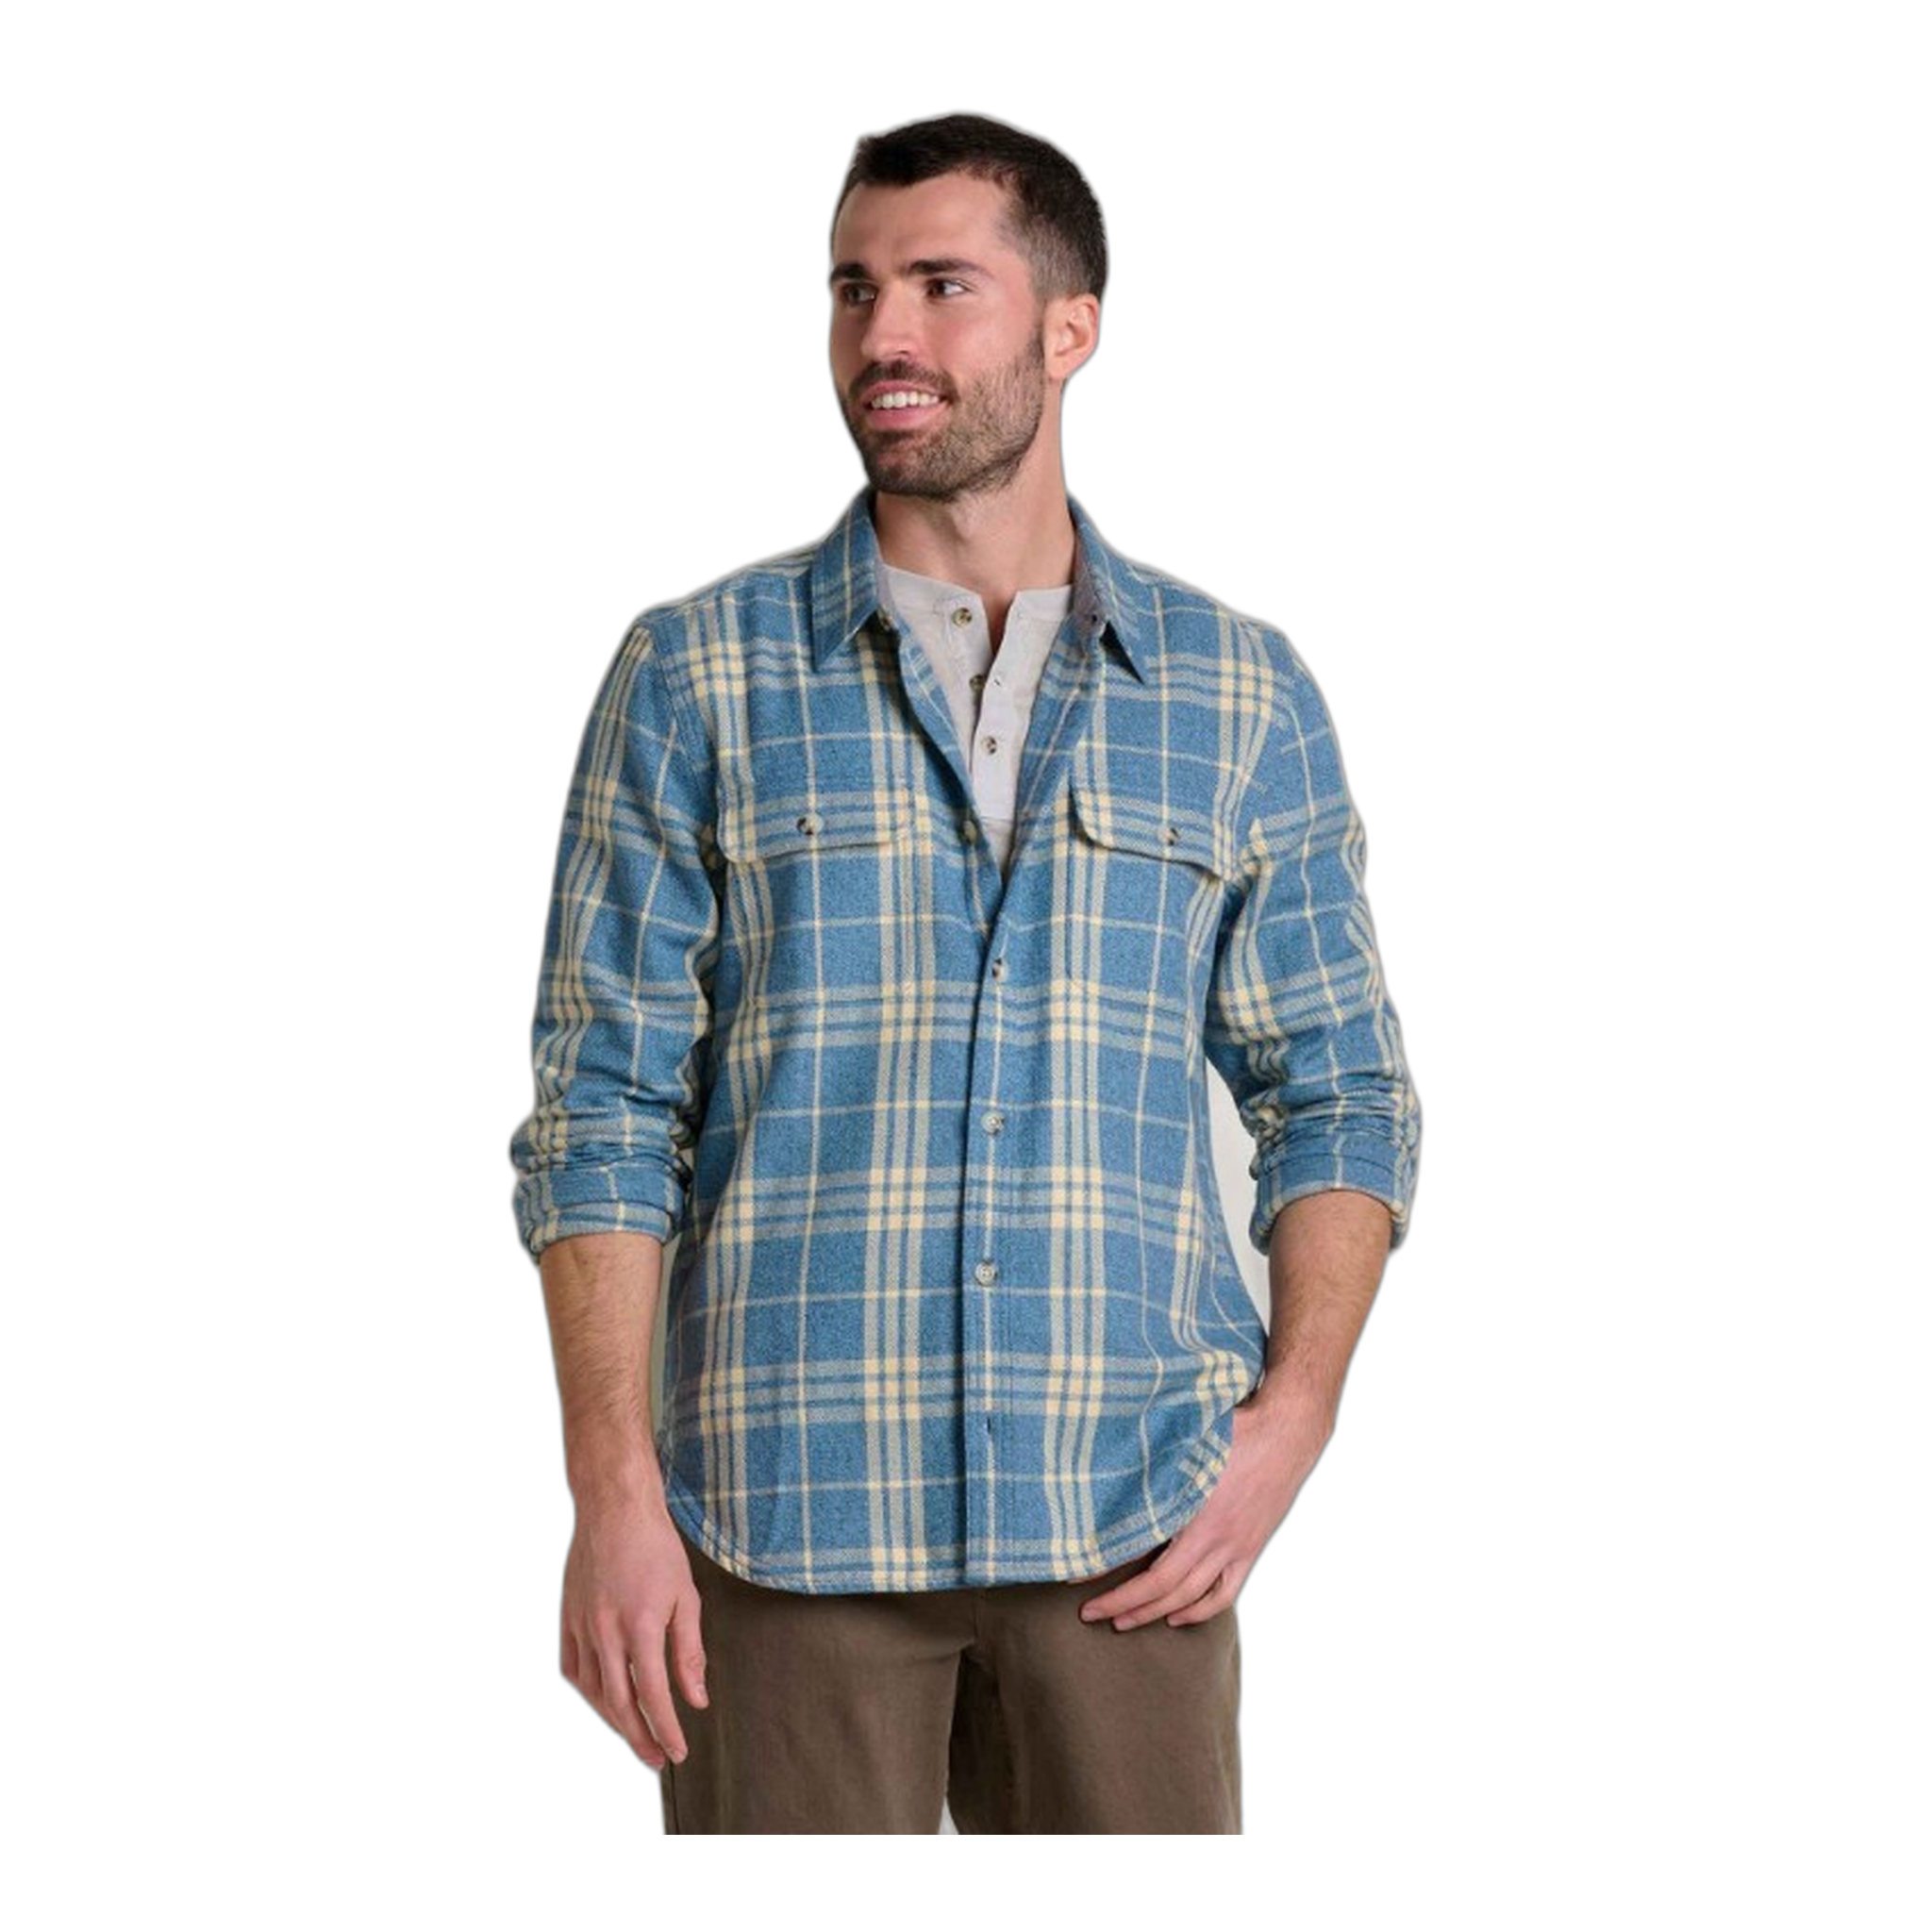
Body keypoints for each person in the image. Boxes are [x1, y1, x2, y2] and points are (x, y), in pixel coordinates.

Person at [507, 109, 1422, 1836]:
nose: (885, 338)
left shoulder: (1239, 691)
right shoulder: (691, 675)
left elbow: (1342, 1095)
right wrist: (608, 1491)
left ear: (1072, 327)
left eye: (942, 286)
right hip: (780, 1523)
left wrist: (1293, 1422)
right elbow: (603, 1116)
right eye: (852, 290)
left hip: (1134, 1524)